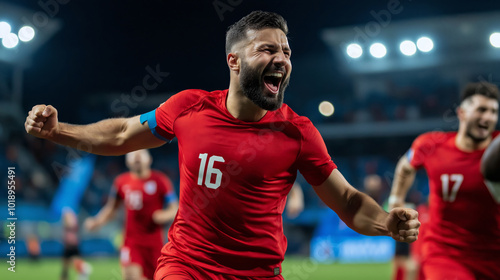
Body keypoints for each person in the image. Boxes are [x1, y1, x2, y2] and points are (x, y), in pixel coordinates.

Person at [25, 11, 419, 280]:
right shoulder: (188, 108)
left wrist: (386, 223)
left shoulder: (297, 133)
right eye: (267, 49)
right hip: (187, 265)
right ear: (234, 61)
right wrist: (59, 132)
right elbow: (121, 135)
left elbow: (348, 202)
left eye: (286, 51)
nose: (281, 59)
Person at [389, 81, 499, 280]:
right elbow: (405, 167)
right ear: (462, 113)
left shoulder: (498, 151)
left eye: (493, 111)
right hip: (446, 254)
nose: (488, 117)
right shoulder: (432, 145)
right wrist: (396, 199)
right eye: (481, 109)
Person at [84, 149, 178, 280]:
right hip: (131, 243)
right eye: (133, 154)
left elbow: (175, 207)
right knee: (131, 276)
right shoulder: (121, 182)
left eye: (141, 153)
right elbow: (112, 207)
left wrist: (164, 215)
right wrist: (97, 221)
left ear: (149, 160)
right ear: (127, 161)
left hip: (154, 244)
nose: (137, 156)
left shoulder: (160, 180)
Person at [61, 208, 92, 280]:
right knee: (65, 267)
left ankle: (83, 273)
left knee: (78, 262)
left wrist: (71, 215)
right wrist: (66, 214)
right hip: (67, 247)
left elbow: (72, 224)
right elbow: (67, 221)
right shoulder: (66, 224)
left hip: (74, 246)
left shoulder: (74, 224)